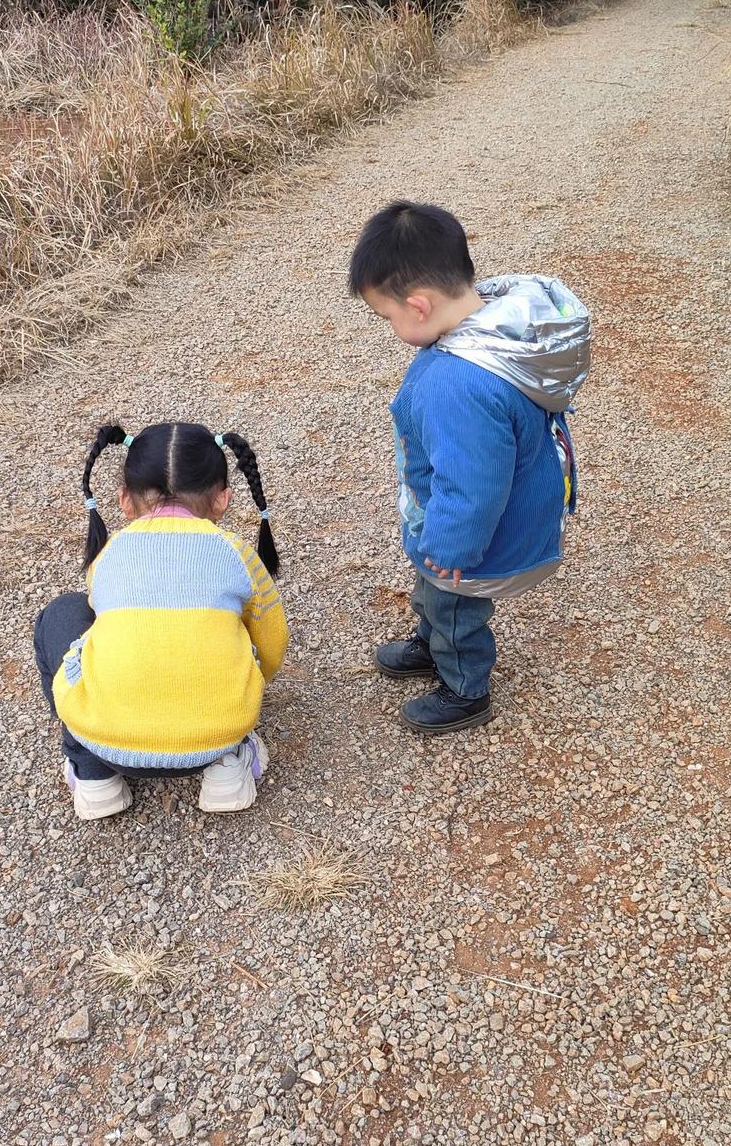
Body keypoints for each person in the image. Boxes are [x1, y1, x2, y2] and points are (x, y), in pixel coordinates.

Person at [348, 200, 590, 735]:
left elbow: (471, 486)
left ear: (418, 305)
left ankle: (463, 686)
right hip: (469, 520)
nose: (389, 327)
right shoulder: (496, 326)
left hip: (471, 539)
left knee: (455, 609)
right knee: (428, 591)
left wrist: (452, 548)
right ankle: (429, 638)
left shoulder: (458, 384)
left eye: (386, 316)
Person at [33, 422, 288, 820]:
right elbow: (273, 644)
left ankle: (93, 772)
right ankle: (229, 761)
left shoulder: (110, 553)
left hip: (107, 742)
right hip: (215, 737)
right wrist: (246, 683)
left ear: (124, 500)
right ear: (223, 500)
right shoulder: (235, 553)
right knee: (231, 626)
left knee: (63, 613)